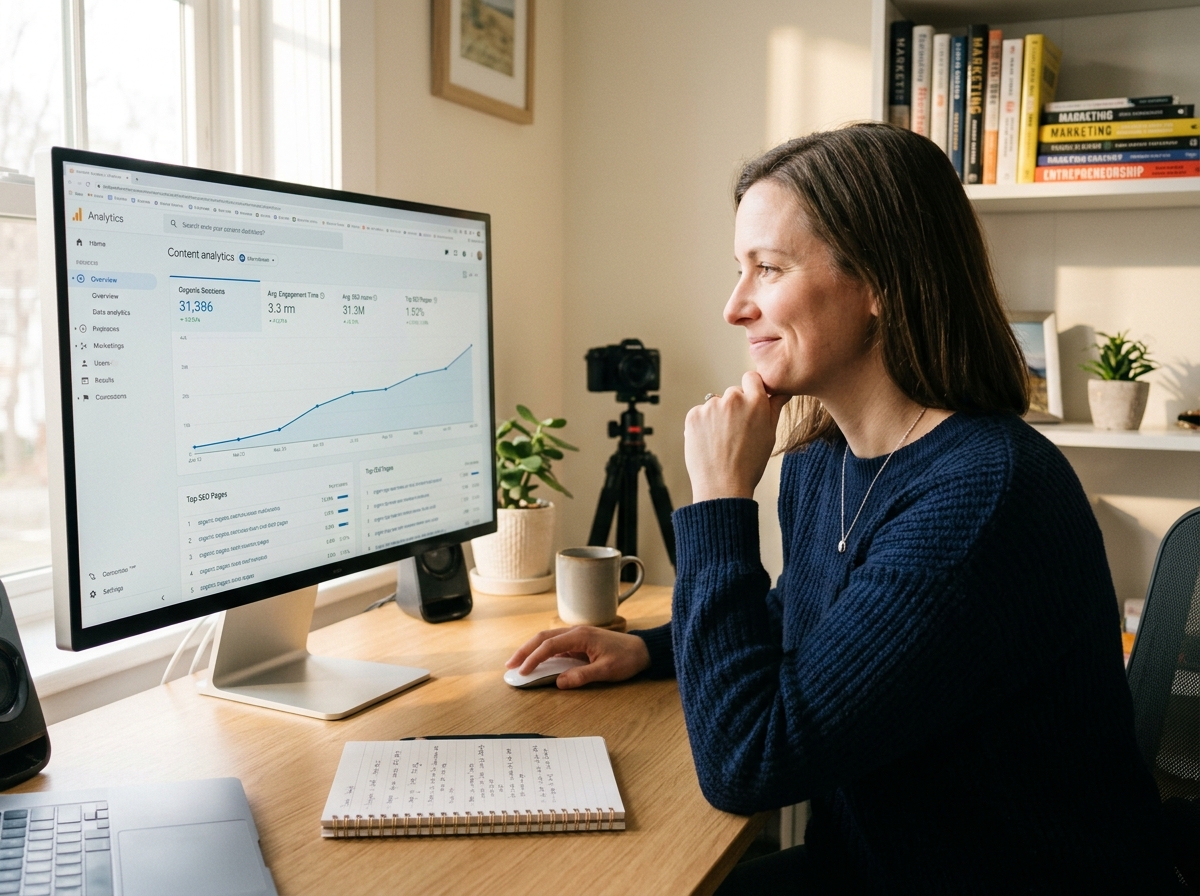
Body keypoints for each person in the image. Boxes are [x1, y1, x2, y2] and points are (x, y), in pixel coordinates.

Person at [507, 123, 1179, 894]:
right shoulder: (822, 459)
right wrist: (650, 650)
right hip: (872, 870)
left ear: (879, 283)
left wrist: (720, 500)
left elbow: (747, 764)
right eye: (738, 270)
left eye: (768, 269)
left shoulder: (984, 498)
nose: (734, 307)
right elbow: (812, 619)